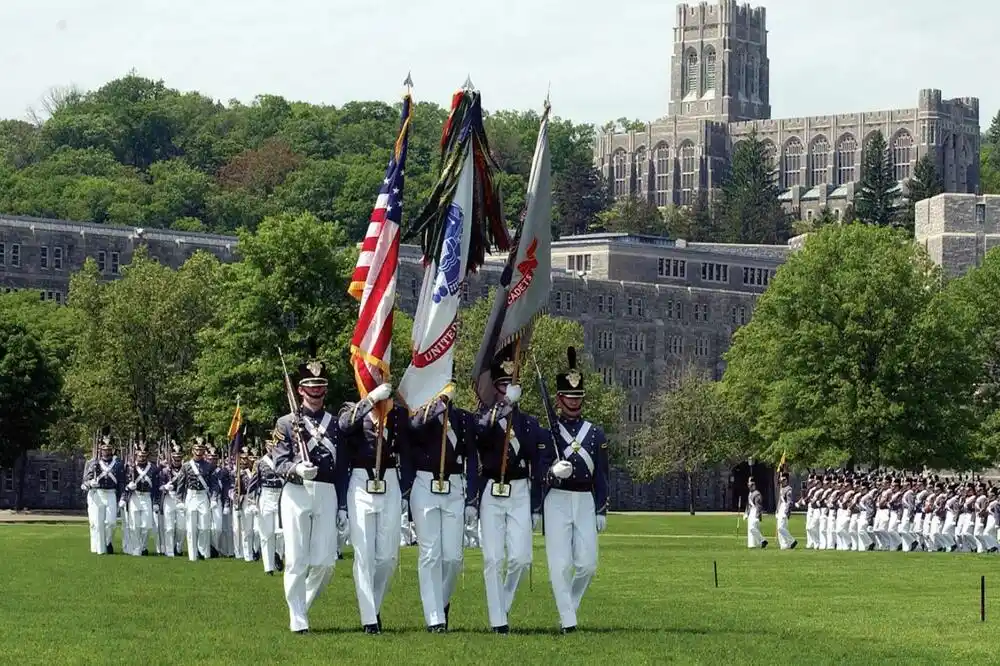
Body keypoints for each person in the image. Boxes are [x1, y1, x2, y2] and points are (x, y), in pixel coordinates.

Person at [271, 347, 347, 634]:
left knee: (326, 563)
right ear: (301, 390)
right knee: (296, 560)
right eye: (311, 387)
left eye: (321, 387)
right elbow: (279, 462)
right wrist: (296, 469)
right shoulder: (286, 423)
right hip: (297, 492)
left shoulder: (335, 425)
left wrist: (341, 506)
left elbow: (342, 467)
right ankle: (298, 619)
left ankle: (301, 604)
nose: (316, 392)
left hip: (327, 492)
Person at [473, 344, 547, 634]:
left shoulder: (528, 424)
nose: (506, 391)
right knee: (493, 558)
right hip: (492, 490)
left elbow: (537, 464)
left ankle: (502, 603)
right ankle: (498, 621)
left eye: (510, 386)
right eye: (502, 386)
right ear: (495, 389)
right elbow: (480, 433)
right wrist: (503, 409)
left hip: (518, 491)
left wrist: (536, 505)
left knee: (520, 558)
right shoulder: (485, 417)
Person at [537, 346, 608, 633]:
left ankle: (570, 607)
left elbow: (602, 474)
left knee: (588, 565)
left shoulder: (594, 432)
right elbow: (538, 474)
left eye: (578, 397)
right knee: (560, 563)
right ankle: (568, 620)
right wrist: (552, 472)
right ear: (559, 399)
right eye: (569, 397)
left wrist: (602, 508)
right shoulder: (547, 432)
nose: (574, 402)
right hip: (557, 499)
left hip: (585, 500)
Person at [337, 382, 409, 634]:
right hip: (361, 482)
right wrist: (369, 400)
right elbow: (344, 426)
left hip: (389, 479)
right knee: (364, 554)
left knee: (388, 557)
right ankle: (369, 618)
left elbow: (407, 447)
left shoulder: (395, 412)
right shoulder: (351, 408)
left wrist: (406, 490)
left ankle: (374, 606)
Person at [407, 387, 478, 633]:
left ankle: (443, 602)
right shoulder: (420, 415)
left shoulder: (464, 419)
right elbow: (413, 426)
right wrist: (439, 402)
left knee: (453, 557)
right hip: (425, 483)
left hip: (454, 485)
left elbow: (471, 457)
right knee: (430, 554)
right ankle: (434, 617)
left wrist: (471, 500)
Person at [81, 429, 124, 554]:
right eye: (104, 449)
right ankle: (98, 547)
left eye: (109, 449)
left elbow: (121, 482)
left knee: (111, 523)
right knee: (95, 523)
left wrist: (122, 497)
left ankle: (107, 542)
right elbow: (84, 481)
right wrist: (90, 483)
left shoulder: (118, 464)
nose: (107, 451)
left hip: (111, 493)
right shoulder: (92, 462)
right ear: (100, 449)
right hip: (97, 494)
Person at [253, 433, 285, 575]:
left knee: (281, 533)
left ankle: (278, 554)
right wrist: (251, 502)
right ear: (267, 447)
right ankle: (268, 567)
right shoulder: (260, 463)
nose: (273, 449)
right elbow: (253, 483)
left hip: (281, 496)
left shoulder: (284, 461)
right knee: (266, 534)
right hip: (266, 496)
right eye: (271, 447)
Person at [123, 440, 159, 556]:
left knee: (146, 526)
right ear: (136, 454)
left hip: (147, 497)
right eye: (140, 455)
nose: (142, 457)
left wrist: (155, 501)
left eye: (144, 455)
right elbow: (122, 482)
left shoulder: (153, 468)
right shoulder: (129, 467)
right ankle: (136, 548)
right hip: (135, 496)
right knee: (134, 525)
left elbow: (156, 486)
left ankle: (143, 546)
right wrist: (128, 487)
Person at [183, 436, 215, 561]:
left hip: (203, 496)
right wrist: (180, 500)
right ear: (192, 450)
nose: (199, 451)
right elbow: (181, 483)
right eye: (197, 449)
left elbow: (213, 484)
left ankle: (202, 551)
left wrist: (213, 498)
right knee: (191, 527)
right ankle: (192, 555)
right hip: (191, 495)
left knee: (204, 527)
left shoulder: (209, 466)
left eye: (201, 449)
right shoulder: (186, 466)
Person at [776, 473, 796, 550]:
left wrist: (786, 512)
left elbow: (789, 502)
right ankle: (784, 545)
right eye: (781, 479)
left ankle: (792, 540)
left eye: (783, 479)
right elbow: (779, 501)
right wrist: (777, 510)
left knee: (781, 528)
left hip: (784, 509)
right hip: (780, 509)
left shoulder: (788, 489)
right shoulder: (782, 489)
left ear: (787, 480)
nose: (782, 481)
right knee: (779, 528)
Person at [746, 479, 766, 549]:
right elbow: (748, 505)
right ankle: (753, 544)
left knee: (752, 528)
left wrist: (758, 515)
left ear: (754, 486)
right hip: (751, 512)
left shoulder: (757, 494)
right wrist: (746, 513)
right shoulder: (750, 493)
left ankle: (763, 540)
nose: (750, 487)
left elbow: (759, 506)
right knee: (750, 529)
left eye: (751, 485)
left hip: (755, 512)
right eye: (749, 485)